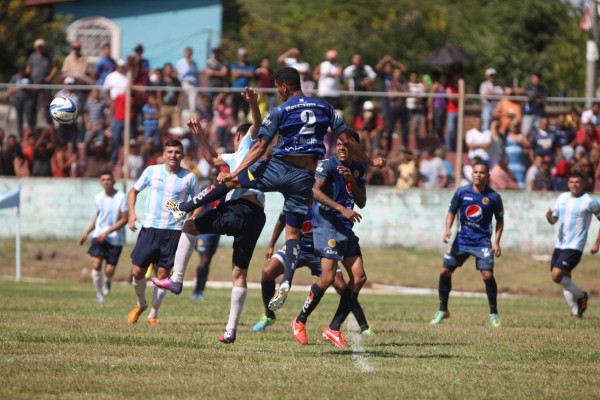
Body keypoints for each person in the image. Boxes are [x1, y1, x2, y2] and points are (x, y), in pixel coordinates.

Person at [167, 68, 386, 313]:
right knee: (292, 234)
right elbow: (347, 140)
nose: (278, 93)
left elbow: (261, 146)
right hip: (304, 178)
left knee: (231, 182)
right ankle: (287, 282)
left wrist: (236, 171)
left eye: (277, 89)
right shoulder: (325, 108)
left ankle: (183, 209)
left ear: (283, 87)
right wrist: (369, 161)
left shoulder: (280, 111)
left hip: (279, 168)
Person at [153, 88, 266, 343]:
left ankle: (177, 280)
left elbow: (256, 124)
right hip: (256, 216)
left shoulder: (247, 143)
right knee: (239, 274)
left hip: (239, 209)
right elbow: (212, 157)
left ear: (239, 136)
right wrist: (200, 135)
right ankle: (231, 330)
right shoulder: (237, 156)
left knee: (190, 226)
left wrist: (253, 104)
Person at [291, 130, 370, 348]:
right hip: (327, 226)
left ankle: (333, 328)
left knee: (359, 277)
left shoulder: (359, 168)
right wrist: (340, 208)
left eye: (348, 145)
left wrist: (351, 180)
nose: (342, 148)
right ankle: (299, 321)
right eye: (340, 144)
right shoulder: (327, 165)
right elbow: (313, 191)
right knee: (327, 279)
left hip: (345, 228)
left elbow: (361, 201)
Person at [253, 205, 374, 336]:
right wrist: (271, 244)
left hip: (321, 251)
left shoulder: (325, 204)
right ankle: (269, 315)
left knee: (340, 285)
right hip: (297, 249)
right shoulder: (295, 200)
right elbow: (281, 221)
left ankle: (363, 325)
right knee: (267, 271)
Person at [125, 139, 199, 325]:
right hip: (150, 228)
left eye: (177, 152)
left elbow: (199, 202)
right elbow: (133, 192)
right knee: (137, 271)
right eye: (170, 152)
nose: (173, 155)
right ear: (164, 154)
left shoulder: (190, 177)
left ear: (182, 155)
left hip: (173, 231)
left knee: (163, 276)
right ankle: (140, 303)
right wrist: (132, 214)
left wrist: (191, 219)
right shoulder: (152, 171)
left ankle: (153, 314)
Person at [430, 160, 504, 328]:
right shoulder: (461, 192)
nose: (478, 175)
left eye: (482, 172)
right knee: (445, 271)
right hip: (461, 240)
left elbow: (500, 220)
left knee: (488, 275)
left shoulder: (493, 197)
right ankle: (443, 309)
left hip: (482, 242)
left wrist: (496, 242)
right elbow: (451, 211)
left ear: (488, 175)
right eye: (476, 172)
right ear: (472, 174)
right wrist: (447, 229)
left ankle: (494, 314)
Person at [545, 171, 600, 318]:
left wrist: (597, 243)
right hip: (560, 245)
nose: (574, 185)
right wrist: (549, 218)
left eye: (578, 182)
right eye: (572, 182)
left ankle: (582, 296)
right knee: (565, 279)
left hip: (575, 246)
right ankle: (575, 312)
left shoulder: (590, 201)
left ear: (583, 184)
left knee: (556, 276)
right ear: (568, 183)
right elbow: (554, 220)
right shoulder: (562, 198)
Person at [78, 170, 129, 302]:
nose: (106, 182)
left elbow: (124, 219)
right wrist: (87, 232)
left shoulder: (122, 197)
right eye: (103, 180)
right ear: (100, 182)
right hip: (99, 235)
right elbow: (98, 216)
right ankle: (99, 295)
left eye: (108, 179)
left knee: (109, 270)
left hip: (115, 238)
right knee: (96, 265)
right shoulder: (98, 198)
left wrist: (108, 232)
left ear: (114, 181)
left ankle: (107, 279)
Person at [176, 46, 200, 115]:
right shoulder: (180, 62)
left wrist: (198, 85)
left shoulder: (194, 63)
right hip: (185, 83)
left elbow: (196, 75)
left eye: (189, 52)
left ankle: (192, 119)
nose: (188, 54)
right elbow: (181, 75)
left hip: (193, 84)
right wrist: (188, 65)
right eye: (187, 52)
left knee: (193, 104)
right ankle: (184, 120)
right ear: (184, 53)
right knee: (185, 103)